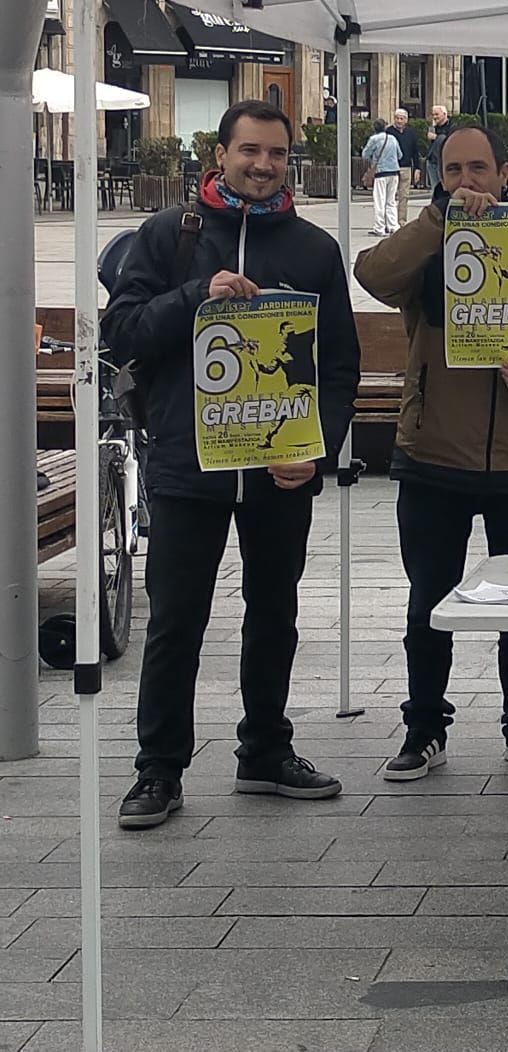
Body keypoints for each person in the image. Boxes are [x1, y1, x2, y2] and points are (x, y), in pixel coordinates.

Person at [104, 99, 361, 829]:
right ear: (218, 155)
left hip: (280, 463)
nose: (262, 165)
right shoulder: (168, 237)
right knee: (176, 620)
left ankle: (265, 750)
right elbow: (124, 333)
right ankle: (158, 770)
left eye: (276, 154)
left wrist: (315, 446)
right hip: (190, 464)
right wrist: (197, 297)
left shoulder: (314, 249)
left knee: (275, 614)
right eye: (249, 151)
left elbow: (339, 365)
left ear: (290, 161)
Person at [355, 124, 508, 779]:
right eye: (454, 169)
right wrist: (438, 218)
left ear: (505, 174)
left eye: (479, 169)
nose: (468, 180)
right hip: (433, 455)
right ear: (439, 175)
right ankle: (424, 727)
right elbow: (373, 276)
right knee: (428, 604)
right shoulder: (429, 240)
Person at [360, 117, 401, 237]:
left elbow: (365, 155)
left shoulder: (374, 139)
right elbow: (400, 154)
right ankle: (393, 226)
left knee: (379, 201)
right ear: (385, 127)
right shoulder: (392, 138)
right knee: (391, 201)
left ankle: (379, 227)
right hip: (394, 172)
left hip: (381, 172)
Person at [391, 108, 423, 227]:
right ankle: (390, 221)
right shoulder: (389, 132)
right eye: (397, 118)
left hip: (406, 167)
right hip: (392, 168)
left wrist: (417, 168)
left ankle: (401, 220)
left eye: (402, 118)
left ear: (406, 120)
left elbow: (415, 152)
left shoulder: (411, 133)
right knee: (391, 197)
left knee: (404, 196)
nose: (399, 121)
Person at [426, 105, 451, 187]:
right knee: (435, 188)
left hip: (444, 162)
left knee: (445, 187)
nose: (434, 117)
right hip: (432, 162)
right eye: (433, 115)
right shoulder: (434, 128)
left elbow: (449, 141)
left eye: (437, 114)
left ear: (444, 114)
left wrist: (436, 137)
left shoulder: (451, 126)